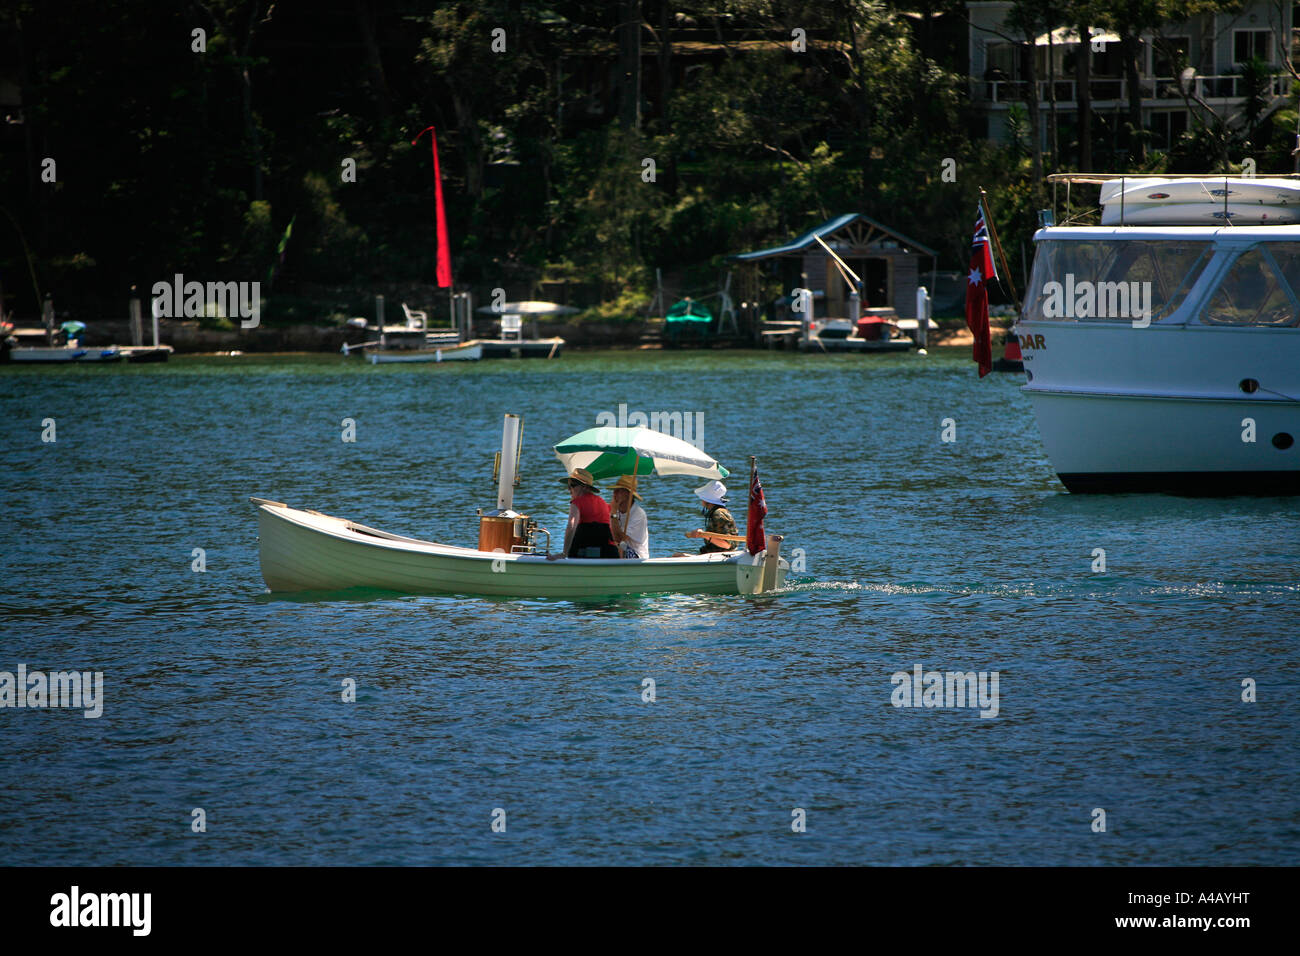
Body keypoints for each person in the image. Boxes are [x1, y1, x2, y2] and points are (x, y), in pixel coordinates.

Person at [548, 467, 618, 559]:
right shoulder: (602, 501)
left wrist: (564, 553)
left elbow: (571, 526)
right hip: (609, 553)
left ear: (584, 487)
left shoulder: (577, 502)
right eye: (568, 486)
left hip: (586, 552)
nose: (569, 489)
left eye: (572, 485)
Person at [686, 480, 738, 553]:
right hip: (716, 554)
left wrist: (704, 534)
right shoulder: (718, 512)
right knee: (677, 555)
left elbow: (727, 545)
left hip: (722, 555)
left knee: (677, 556)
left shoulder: (719, 514)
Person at [609, 475, 649, 559]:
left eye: (619, 490)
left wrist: (613, 513)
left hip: (637, 555)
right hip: (620, 549)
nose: (614, 493)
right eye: (615, 490)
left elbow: (619, 538)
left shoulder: (639, 514)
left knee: (618, 547)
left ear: (628, 494)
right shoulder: (615, 510)